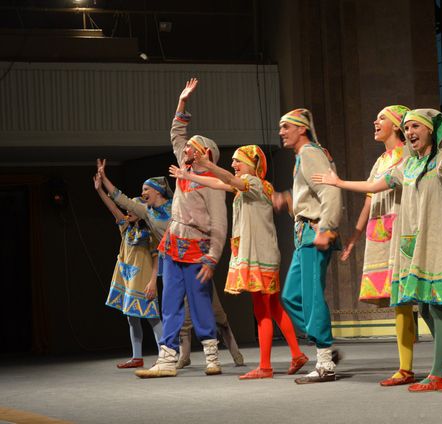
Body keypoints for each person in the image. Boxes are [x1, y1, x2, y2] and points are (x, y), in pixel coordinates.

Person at [314, 108, 442, 391]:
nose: (410, 132)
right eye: (407, 128)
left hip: (436, 242)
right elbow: (374, 186)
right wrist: (338, 182)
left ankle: (437, 376)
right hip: (412, 243)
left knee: (438, 308)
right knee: (425, 309)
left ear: (430, 130)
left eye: (415, 127)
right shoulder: (406, 166)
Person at [169, 144, 309, 379]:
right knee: (273, 307)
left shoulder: (254, 183)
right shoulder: (253, 186)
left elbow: (227, 179)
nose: (233, 164)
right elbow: (219, 183)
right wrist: (188, 176)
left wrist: (208, 164)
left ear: (252, 165)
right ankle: (296, 354)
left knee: (262, 310)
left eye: (238, 161)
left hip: (259, 256)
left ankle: (265, 367)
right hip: (263, 254)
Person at [97, 160, 244, 368]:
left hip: (193, 258)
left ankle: (234, 352)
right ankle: (183, 357)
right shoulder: (147, 211)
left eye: (146, 189)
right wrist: (104, 181)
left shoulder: (177, 204)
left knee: (215, 311)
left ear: (157, 191)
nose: (142, 193)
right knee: (179, 314)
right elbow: (123, 201)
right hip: (172, 262)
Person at [135, 78, 227, 378]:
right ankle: (167, 358)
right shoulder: (183, 168)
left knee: (200, 301)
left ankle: (211, 355)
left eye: (192, 147)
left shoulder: (211, 183)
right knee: (170, 300)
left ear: (204, 154)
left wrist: (213, 257)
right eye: (187, 146)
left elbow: (219, 223)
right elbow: (176, 133)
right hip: (174, 243)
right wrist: (182, 101)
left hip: (198, 246)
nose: (185, 148)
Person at [272, 109, 342, 384]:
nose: (281, 131)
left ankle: (325, 362)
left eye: (286, 126)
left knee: (312, 297)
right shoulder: (303, 156)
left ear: (301, 129)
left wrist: (326, 228)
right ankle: (323, 344)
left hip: (315, 232)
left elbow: (330, 190)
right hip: (303, 234)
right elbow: (310, 193)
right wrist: (289, 198)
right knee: (291, 296)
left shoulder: (311, 153)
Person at [93, 174, 162, 369]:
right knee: (132, 317)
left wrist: (153, 282)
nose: (128, 211)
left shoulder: (150, 233)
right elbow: (113, 208)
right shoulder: (126, 228)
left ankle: (165, 355)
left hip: (143, 279)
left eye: (132, 208)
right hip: (127, 277)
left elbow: (156, 259)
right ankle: (137, 356)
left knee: (153, 318)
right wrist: (99, 190)